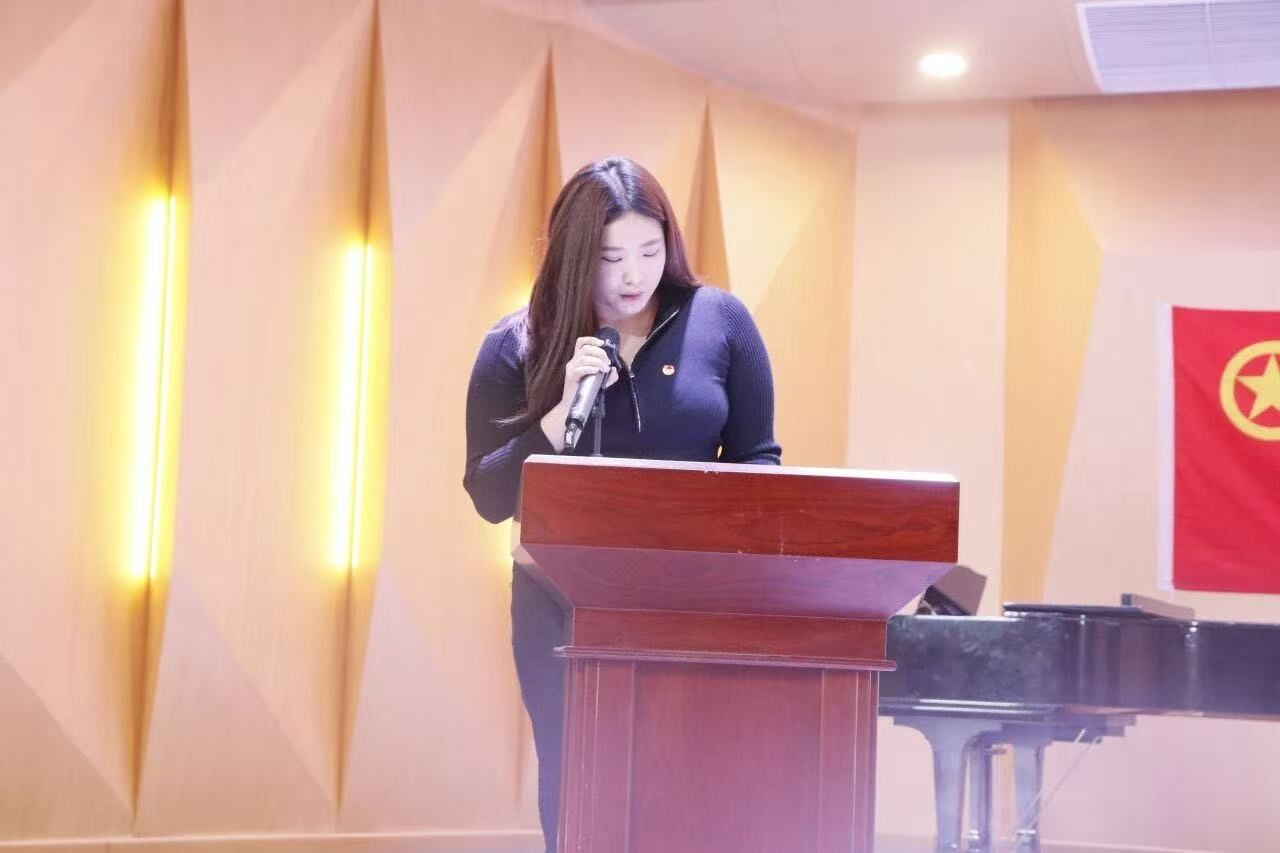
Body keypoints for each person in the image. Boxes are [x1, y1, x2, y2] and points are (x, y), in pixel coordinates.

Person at [462, 155, 781, 851]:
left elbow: (759, 465)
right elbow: (487, 494)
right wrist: (553, 421)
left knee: (697, 790)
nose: (634, 275)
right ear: (576, 256)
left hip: (696, 602)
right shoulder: (516, 344)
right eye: (611, 258)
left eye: (649, 250)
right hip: (561, 609)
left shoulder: (721, 322)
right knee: (580, 786)